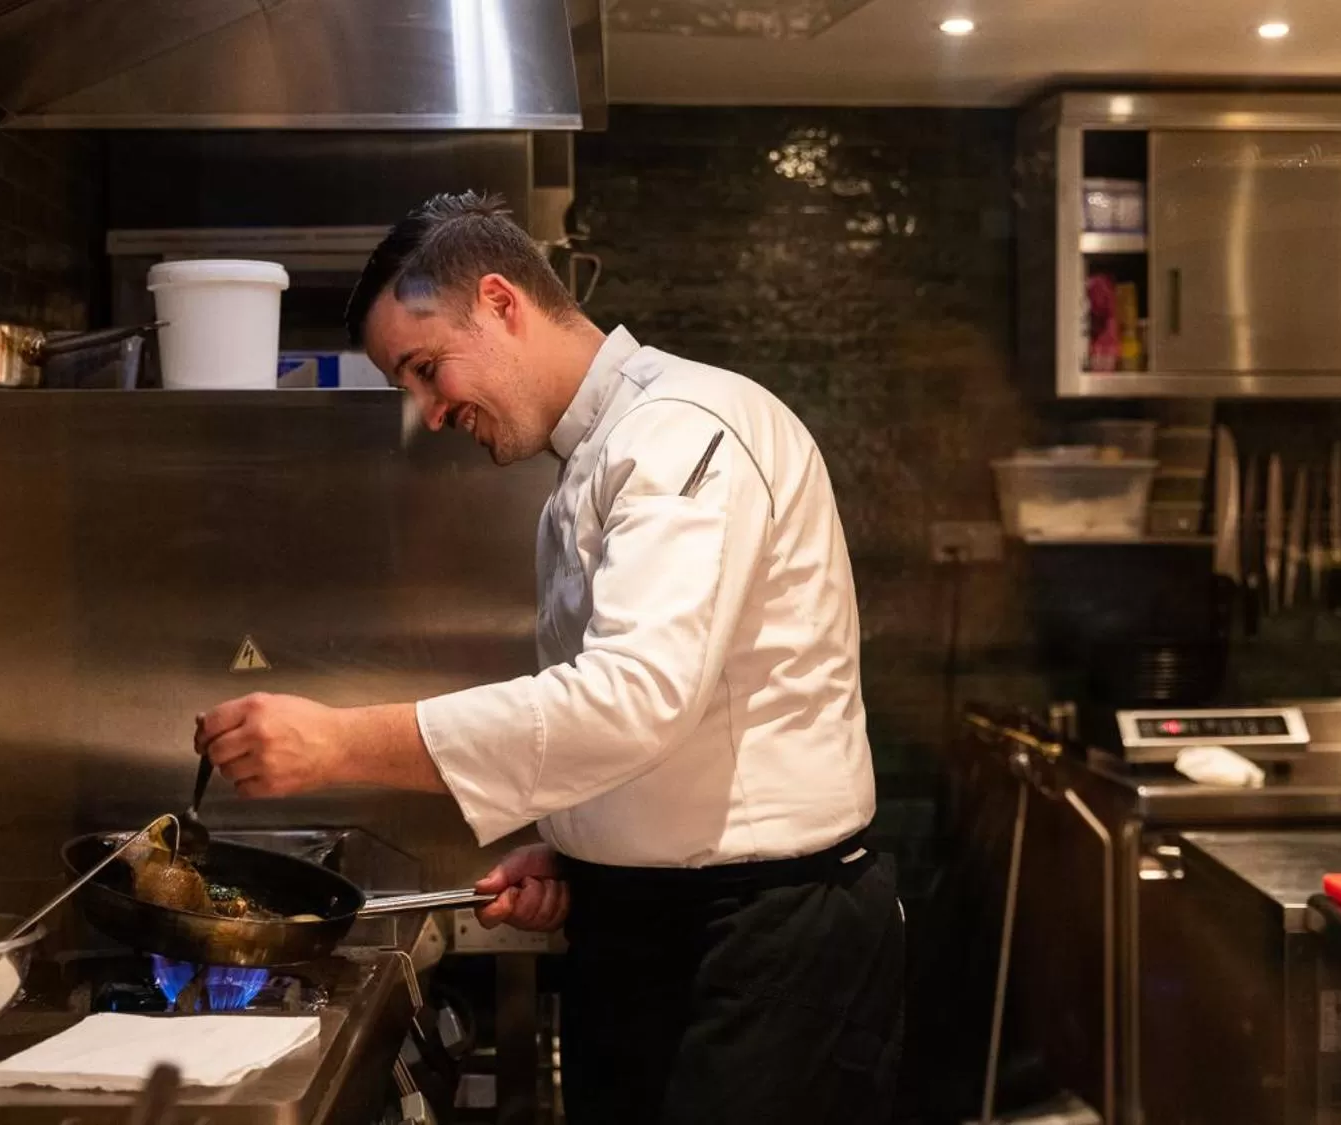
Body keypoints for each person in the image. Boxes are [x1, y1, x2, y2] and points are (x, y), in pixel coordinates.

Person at [196, 191, 903, 1124]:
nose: (428, 412)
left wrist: (337, 743)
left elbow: (633, 699)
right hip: (654, 927)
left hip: (759, 944)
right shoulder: (599, 456)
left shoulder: (682, 430)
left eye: (424, 368)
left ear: (499, 301)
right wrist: (580, 837)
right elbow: (665, 716)